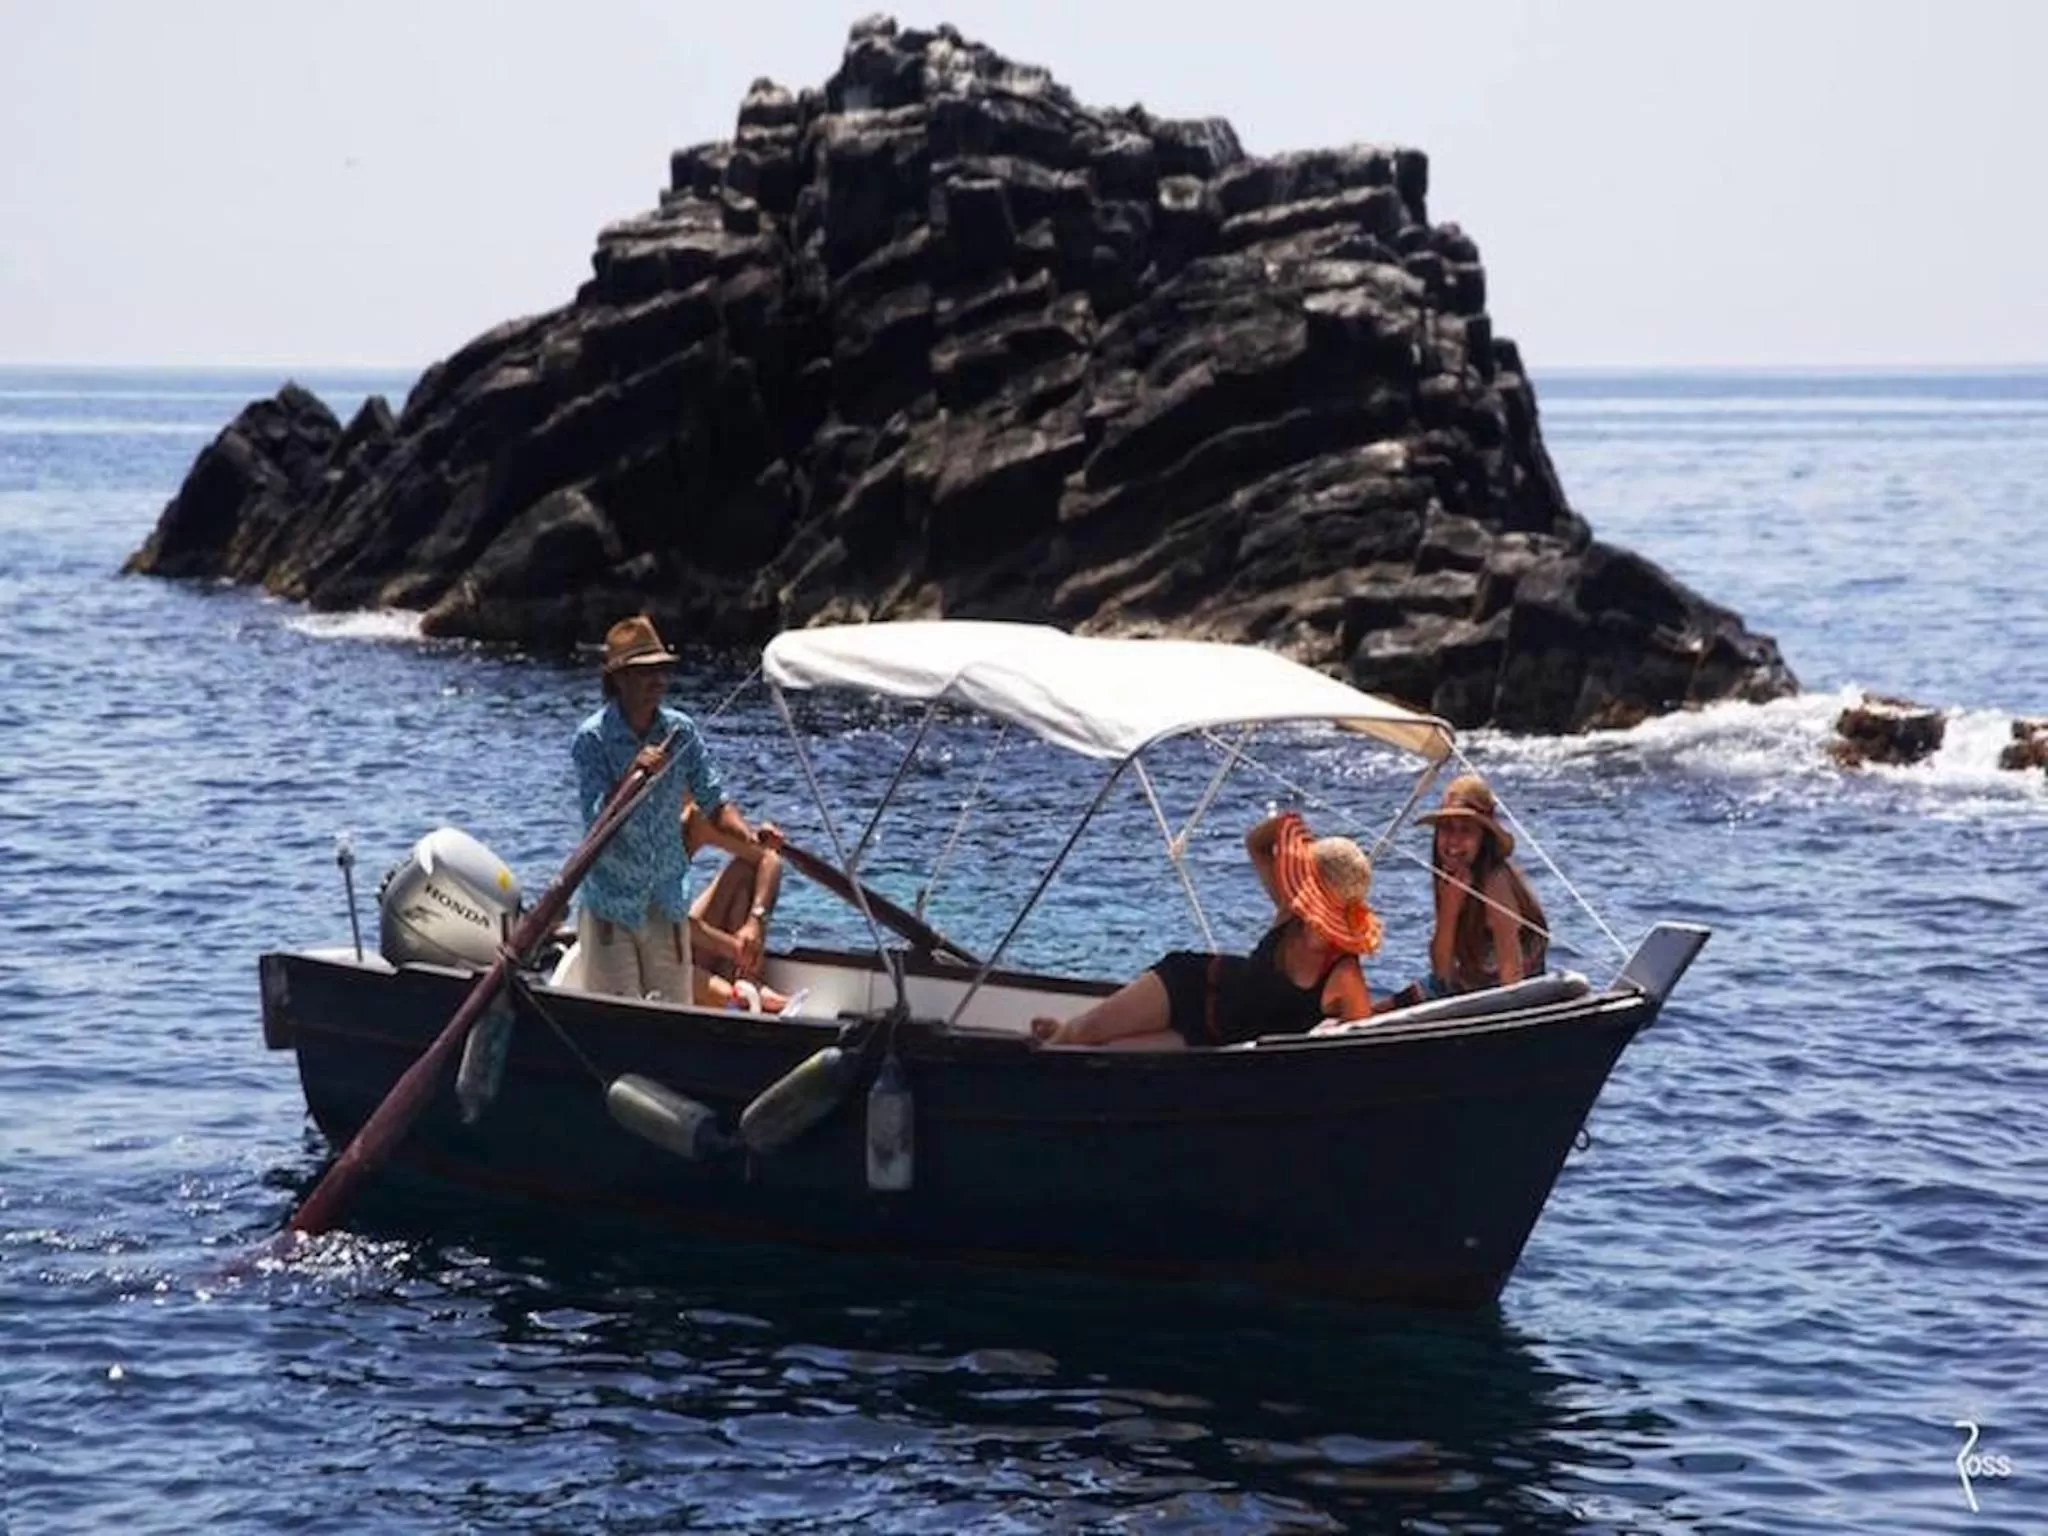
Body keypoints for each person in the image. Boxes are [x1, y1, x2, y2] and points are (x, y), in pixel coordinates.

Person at [571, 614, 787, 1010]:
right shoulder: (593, 738)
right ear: (618, 680)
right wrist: (633, 775)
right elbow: (597, 822)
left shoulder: (681, 731)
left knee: (671, 1012)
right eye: (644, 674)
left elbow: (715, 801)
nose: (658, 683)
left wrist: (749, 836)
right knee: (621, 1016)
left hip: (665, 903)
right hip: (611, 907)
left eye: (662, 672)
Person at [1030, 811, 1378, 1050]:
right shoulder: (1290, 911)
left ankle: (1059, 1032)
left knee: (1110, 1052)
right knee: (1086, 1034)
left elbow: (1362, 1048)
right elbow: (1257, 843)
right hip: (1192, 984)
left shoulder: (1343, 972)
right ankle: (1053, 1044)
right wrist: (1291, 826)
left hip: (1215, 1039)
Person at [1378, 774, 1548, 1012]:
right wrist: (1449, 908)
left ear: (1483, 838)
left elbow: (1513, 977)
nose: (1453, 842)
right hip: (1469, 984)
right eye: (1447, 829)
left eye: (1465, 830)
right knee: (1375, 1012)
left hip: (1507, 996)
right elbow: (1442, 973)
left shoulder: (1495, 883)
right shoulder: (1451, 879)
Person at [683, 796, 784, 990]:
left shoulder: (698, 818)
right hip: (657, 941)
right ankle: (742, 990)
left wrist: (756, 922)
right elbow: (666, 922)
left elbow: (770, 860)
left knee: (747, 871)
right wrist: (733, 948)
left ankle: (745, 980)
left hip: (684, 932)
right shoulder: (645, 828)